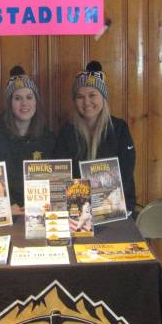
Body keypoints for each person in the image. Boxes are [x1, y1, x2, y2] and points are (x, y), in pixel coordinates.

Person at [55, 60, 136, 212]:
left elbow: (125, 175)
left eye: (92, 95)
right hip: (78, 208)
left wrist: (105, 205)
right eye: (80, 97)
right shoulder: (67, 131)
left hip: (116, 208)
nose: (87, 102)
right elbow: (61, 175)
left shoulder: (119, 129)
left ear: (103, 98)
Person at [0, 66, 56, 214]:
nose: (24, 103)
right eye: (17, 98)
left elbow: (58, 181)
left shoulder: (49, 139)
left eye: (29, 97)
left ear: (36, 102)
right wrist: (7, 205)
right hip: (5, 216)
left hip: (42, 215)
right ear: (9, 104)